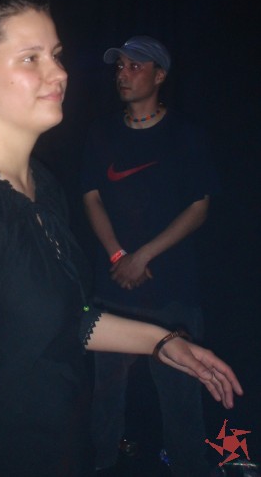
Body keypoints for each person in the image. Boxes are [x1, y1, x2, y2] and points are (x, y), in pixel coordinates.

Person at [0, 0, 241, 477]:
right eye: (31, 58)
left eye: (56, 54)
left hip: (60, 451)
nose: (60, 73)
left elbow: (66, 320)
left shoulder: (42, 186)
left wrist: (161, 341)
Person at [82, 35, 218, 476]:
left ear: (159, 75)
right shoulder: (101, 132)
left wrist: (142, 257)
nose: (123, 74)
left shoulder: (186, 134)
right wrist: (118, 256)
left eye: (134, 66)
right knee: (104, 401)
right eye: (119, 66)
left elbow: (199, 207)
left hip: (172, 292)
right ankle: (100, 468)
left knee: (181, 404)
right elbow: (91, 196)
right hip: (113, 291)